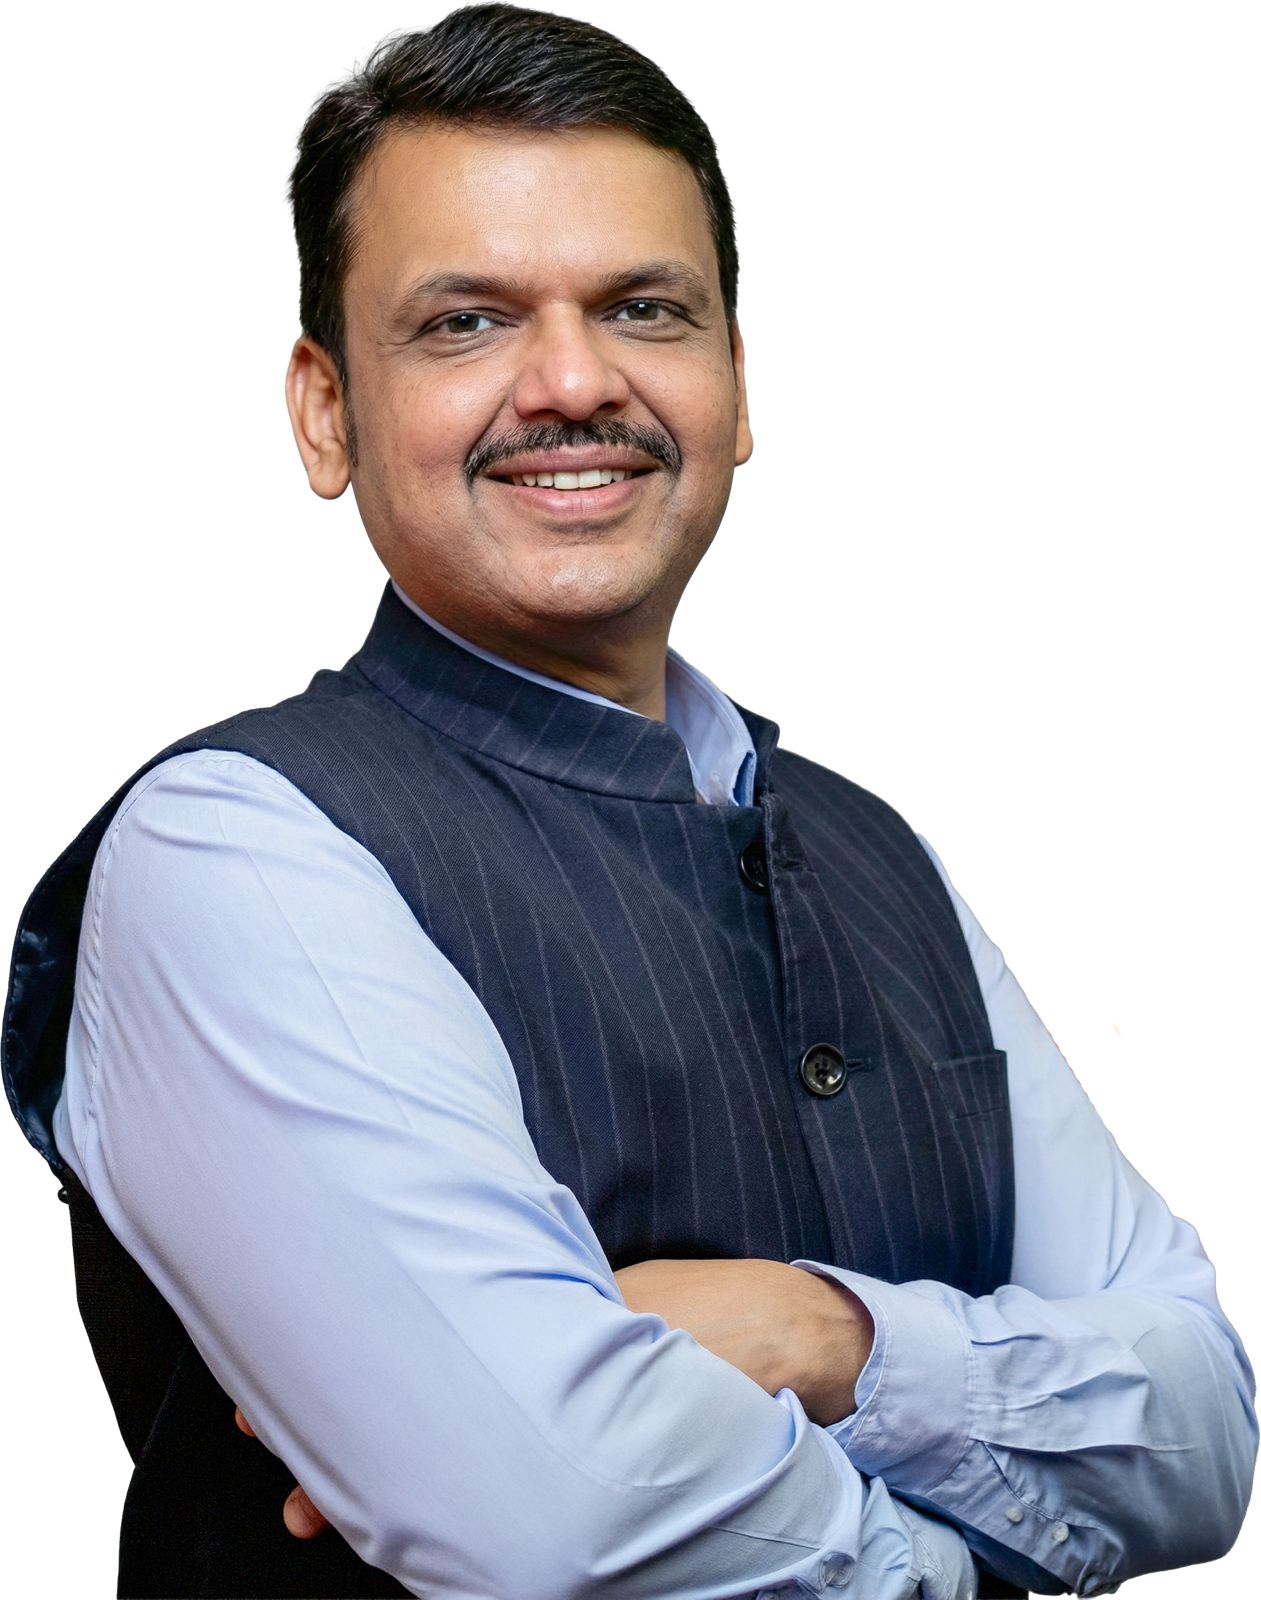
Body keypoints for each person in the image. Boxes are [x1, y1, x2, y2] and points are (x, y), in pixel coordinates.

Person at [2, 5, 1255, 1597]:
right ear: (326, 411)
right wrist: (982, 1539)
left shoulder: (874, 851)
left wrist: (822, 1337)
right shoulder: (239, 848)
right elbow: (558, 1524)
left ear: (735, 379)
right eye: (465, 321)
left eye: (644, 309)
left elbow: (1203, 1430)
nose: (573, 379)